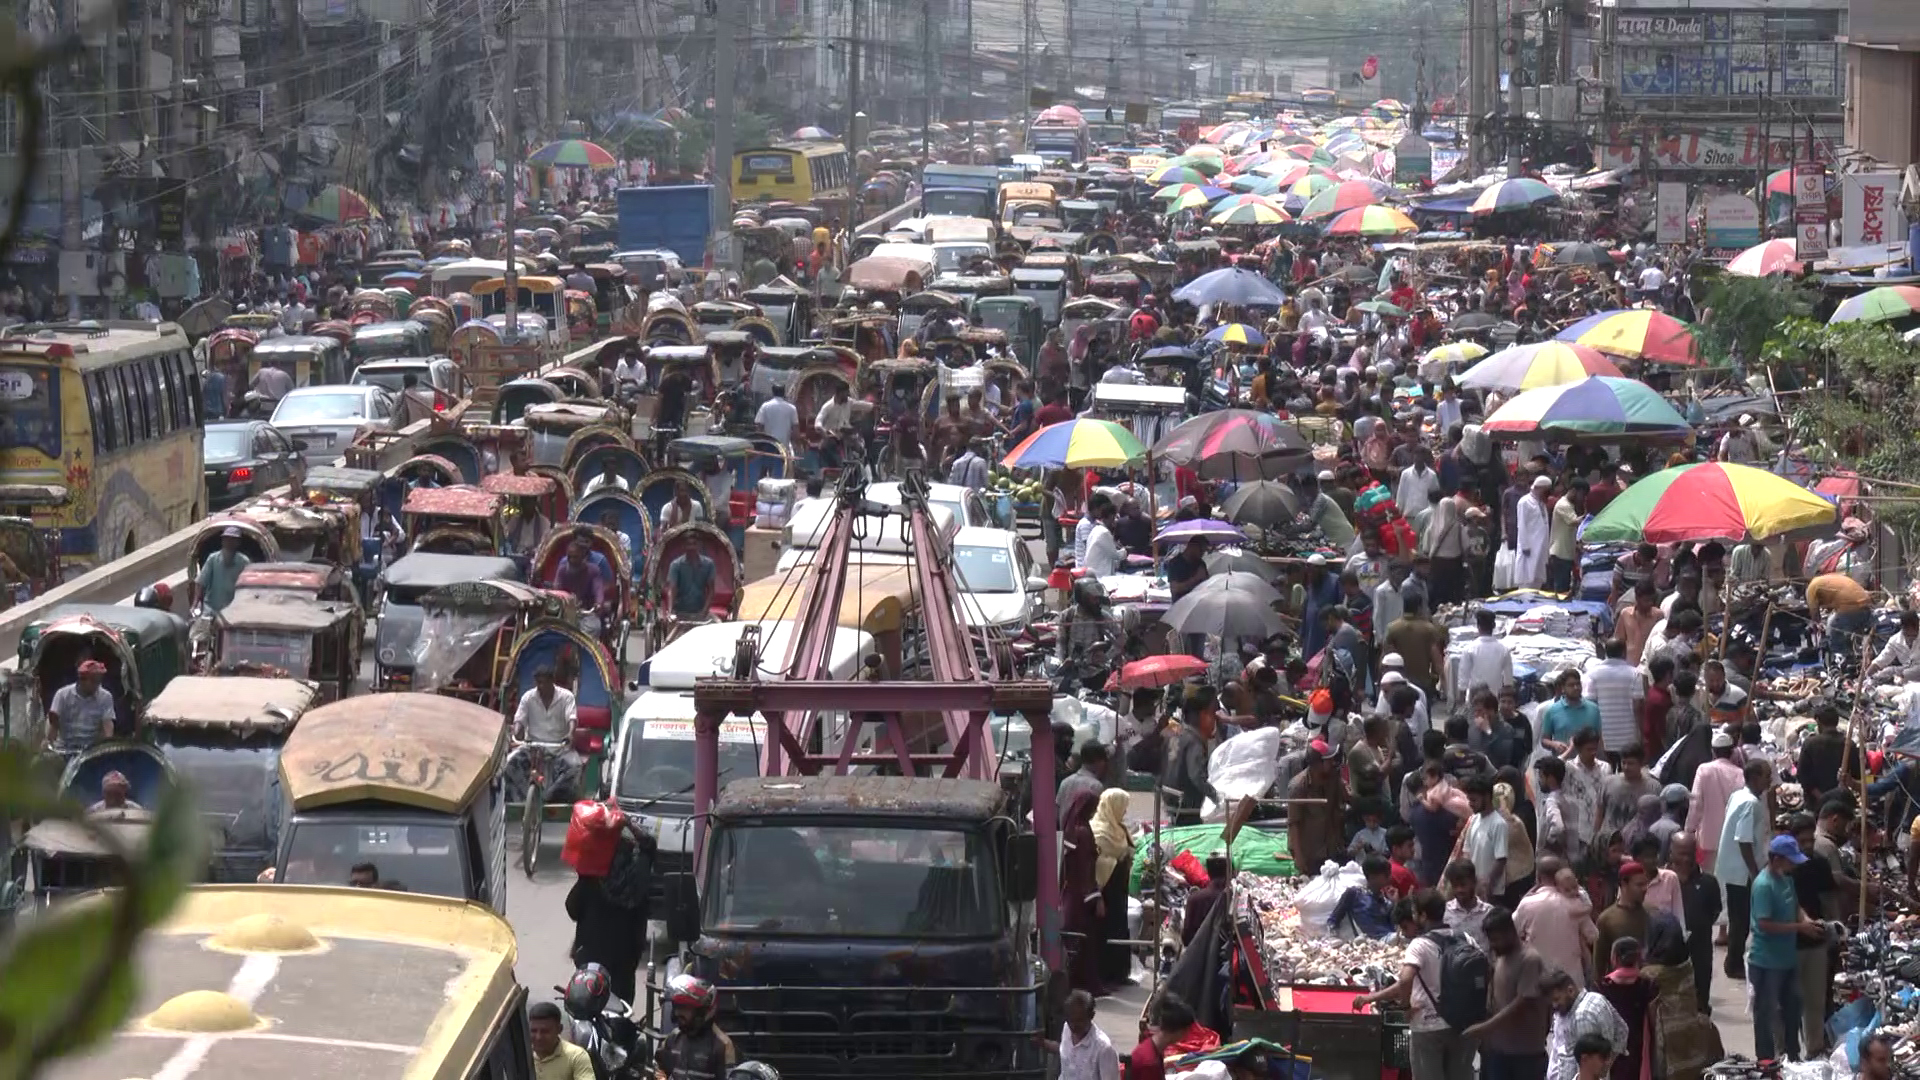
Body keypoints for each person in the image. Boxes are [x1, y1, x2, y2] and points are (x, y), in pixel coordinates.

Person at [1351, 889, 1476, 1080]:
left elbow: (1406, 979)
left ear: (1423, 915)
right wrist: (1371, 998)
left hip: (1428, 1027)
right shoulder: (1465, 938)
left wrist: (1405, 1007)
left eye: (1416, 912)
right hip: (1462, 1025)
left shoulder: (1420, 945)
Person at [1750, 834, 1824, 1062]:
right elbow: (1764, 924)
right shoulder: (1763, 885)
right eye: (1790, 860)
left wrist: (1807, 919)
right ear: (1776, 859)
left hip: (1787, 959)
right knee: (1766, 1015)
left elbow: (1795, 905)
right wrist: (1799, 928)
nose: (1794, 864)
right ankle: (1765, 1062)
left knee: (1792, 1011)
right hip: (1767, 962)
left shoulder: (1786, 879)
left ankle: (1793, 1056)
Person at [566, 817, 656, 1000]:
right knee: (621, 1015)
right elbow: (649, 846)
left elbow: (572, 909)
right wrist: (629, 824)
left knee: (586, 1010)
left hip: (590, 963)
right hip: (625, 962)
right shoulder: (638, 875)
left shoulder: (591, 880)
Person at [1468, 907, 1550, 1080]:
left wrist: (1486, 1027)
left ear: (1511, 932)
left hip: (1525, 1054)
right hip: (1498, 1051)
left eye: (1496, 939)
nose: (1493, 945)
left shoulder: (1529, 959)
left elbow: (1522, 1003)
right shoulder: (1501, 957)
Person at [1715, 758, 1773, 980]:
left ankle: (1734, 960)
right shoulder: (1750, 803)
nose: (1769, 781)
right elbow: (1744, 839)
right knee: (1741, 920)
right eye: (1766, 776)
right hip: (1742, 872)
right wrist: (1754, 871)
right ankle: (1734, 963)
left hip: (1733, 868)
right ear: (1755, 777)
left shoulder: (1739, 796)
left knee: (1738, 917)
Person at [1544, 969, 1629, 1080]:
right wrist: (1608, 1061)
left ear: (1570, 990)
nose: (1554, 1005)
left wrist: (1606, 1064)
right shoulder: (1595, 997)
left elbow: (1586, 1067)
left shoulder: (1582, 1017)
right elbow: (1622, 1030)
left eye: (1556, 999)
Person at [1060, 789, 1105, 996]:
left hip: (1070, 893)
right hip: (1081, 896)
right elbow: (1086, 867)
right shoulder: (1084, 833)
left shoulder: (1072, 830)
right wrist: (1095, 897)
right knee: (1085, 939)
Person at [511, 667, 580, 800]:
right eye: (537, 683)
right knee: (510, 764)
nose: (540, 687)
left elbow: (571, 718)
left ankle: (552, 797)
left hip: (559, 747)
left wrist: (570, 734)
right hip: (532, 747)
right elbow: (519, 719)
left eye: (543, 683)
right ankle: (521, 797)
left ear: (552, 681)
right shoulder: (528, 697)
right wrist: (517, 730)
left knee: (574, 767)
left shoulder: (566, 697)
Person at [655, 974, 737, 1080]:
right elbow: (658, 1069)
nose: (678, 1013)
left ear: (702, 1012)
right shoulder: (674, 1038)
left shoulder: (722, 1045)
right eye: (677, 1007)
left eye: (685, 1008)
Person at [1091, 788, 1134, 986]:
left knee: (1119, 927)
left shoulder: (1119, 829)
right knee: (1105, 931)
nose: (1124, 812)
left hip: (1119, 889)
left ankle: (1120, 974)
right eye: (1122, 807)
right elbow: (1097, 865)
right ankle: (1106, 976)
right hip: (1105, 889)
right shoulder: (1099, 831)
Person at [1686, 730, 1743, 872]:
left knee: (1710, 877)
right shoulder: (1740, 773)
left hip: (1709, 839)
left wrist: (1689, 830)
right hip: (1733, 839)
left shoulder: (1704, 770)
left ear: (1713, 752)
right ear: (1732, 752)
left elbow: (1695, 803)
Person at [1287, 740, 1345, 874]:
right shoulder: (1299, 787)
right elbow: (1294, 823)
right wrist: (1299, 857)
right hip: (1310, 851)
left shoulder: (1333, 779)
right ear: (1318, 764)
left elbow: (1341, 804)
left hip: (1331, 846)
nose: (1332, 763)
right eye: (1328, 760)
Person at [1591, 861, 1652, 981]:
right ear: (1624, 884)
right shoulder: (1606, 919)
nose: (1645, 889)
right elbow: (1599, 963)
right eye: (1639, 885)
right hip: (1619, 988)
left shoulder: (1652, 913)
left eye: (1646, 884)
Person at [1042, 989, 1119, 1080]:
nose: (1074, 1026)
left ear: (1091, 1016)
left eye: (1079, 1021)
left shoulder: (1103, 1048)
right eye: (1071, 1020)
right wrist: (1043, 1043)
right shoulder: (1067, 1028)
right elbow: (1066, 1051)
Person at [1327, 855, 1399, 938]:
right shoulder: (1355, 894)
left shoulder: (1385, 900)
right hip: (1370, 942)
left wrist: (1395, 903)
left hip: (1390, 939)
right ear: (1372, 877)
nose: (1390, 877)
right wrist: (1334, 938)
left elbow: (1395, 925)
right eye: (1386, 875)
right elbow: (1333, 920)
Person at [549, 535, 613, 621]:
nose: (572, 560)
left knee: (593, 628)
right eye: (569, 557)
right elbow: (556, 590)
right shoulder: (562, 570)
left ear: (584, 557)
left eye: (575, 557)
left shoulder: (594, 571)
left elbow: (598, 591)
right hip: (565, 612)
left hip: (587, 613)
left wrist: (598, 603)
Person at [529, 1001, 596, 1080]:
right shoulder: (521, 1056)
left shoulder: (576, 1056)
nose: (538, 1037)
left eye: (545, 1031)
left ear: (559, 1029)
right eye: (533, 1031)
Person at [1459, 608, 1514, 705]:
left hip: (1474, 701)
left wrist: (1461, 705)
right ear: (1494, 626)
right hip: (1496, 702)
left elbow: (1463, 680)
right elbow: (1508, 682)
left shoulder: (1469, 649)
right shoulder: (1504, 650)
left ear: (1478, 626)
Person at [195, 526, 252, 613]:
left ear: (238, 542)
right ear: (222, 541)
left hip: (235, 610)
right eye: (227, 539)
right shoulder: (213, 559)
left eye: (233, 539)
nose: (229, 542)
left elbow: (248, 587)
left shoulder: (244, 562)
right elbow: (201, 583)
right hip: (211, 609)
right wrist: (195, 604)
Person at [1181, 852, 1232, 946]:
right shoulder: (1232, 898)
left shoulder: (1194, 899)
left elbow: (1186, 937)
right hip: (1227, 956)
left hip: (1198, 956)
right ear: (1228, 871)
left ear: (1208, 871)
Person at [1515, 475, 1554, 589]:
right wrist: (1525, 546)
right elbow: (1521, 525)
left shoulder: (1541, 503)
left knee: (1538, 579)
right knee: (1527, 579)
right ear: (1539, 488)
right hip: (1529, 547)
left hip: (1541, 547)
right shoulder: (1525, 502)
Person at [1056, 741, 1106, 822]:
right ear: (1099, 761)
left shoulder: (1065, 782)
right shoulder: (1095, 786)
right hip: (1085, 833)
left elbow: (1057, 811)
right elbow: (1098, 818)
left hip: (1065, 832)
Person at [667, 542, 717, 621]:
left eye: (694, 544)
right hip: (680, 610)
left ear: (699, 546)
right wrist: (670, 612)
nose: (691, 547)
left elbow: (711, 590)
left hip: (700, 609)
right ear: (683, 547)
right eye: (688, 544)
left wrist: (704, 611)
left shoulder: (709, 564)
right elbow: (672, 588)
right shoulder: (676, 565)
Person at [755, 383, 799, 448]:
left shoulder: (765, 406)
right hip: (784, 447)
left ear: (773, 392)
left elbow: (759, 426)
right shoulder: (792, 408)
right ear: (784, 393)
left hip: (769, 445)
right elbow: (796, 429)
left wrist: (759, 444)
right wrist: (795, 443)